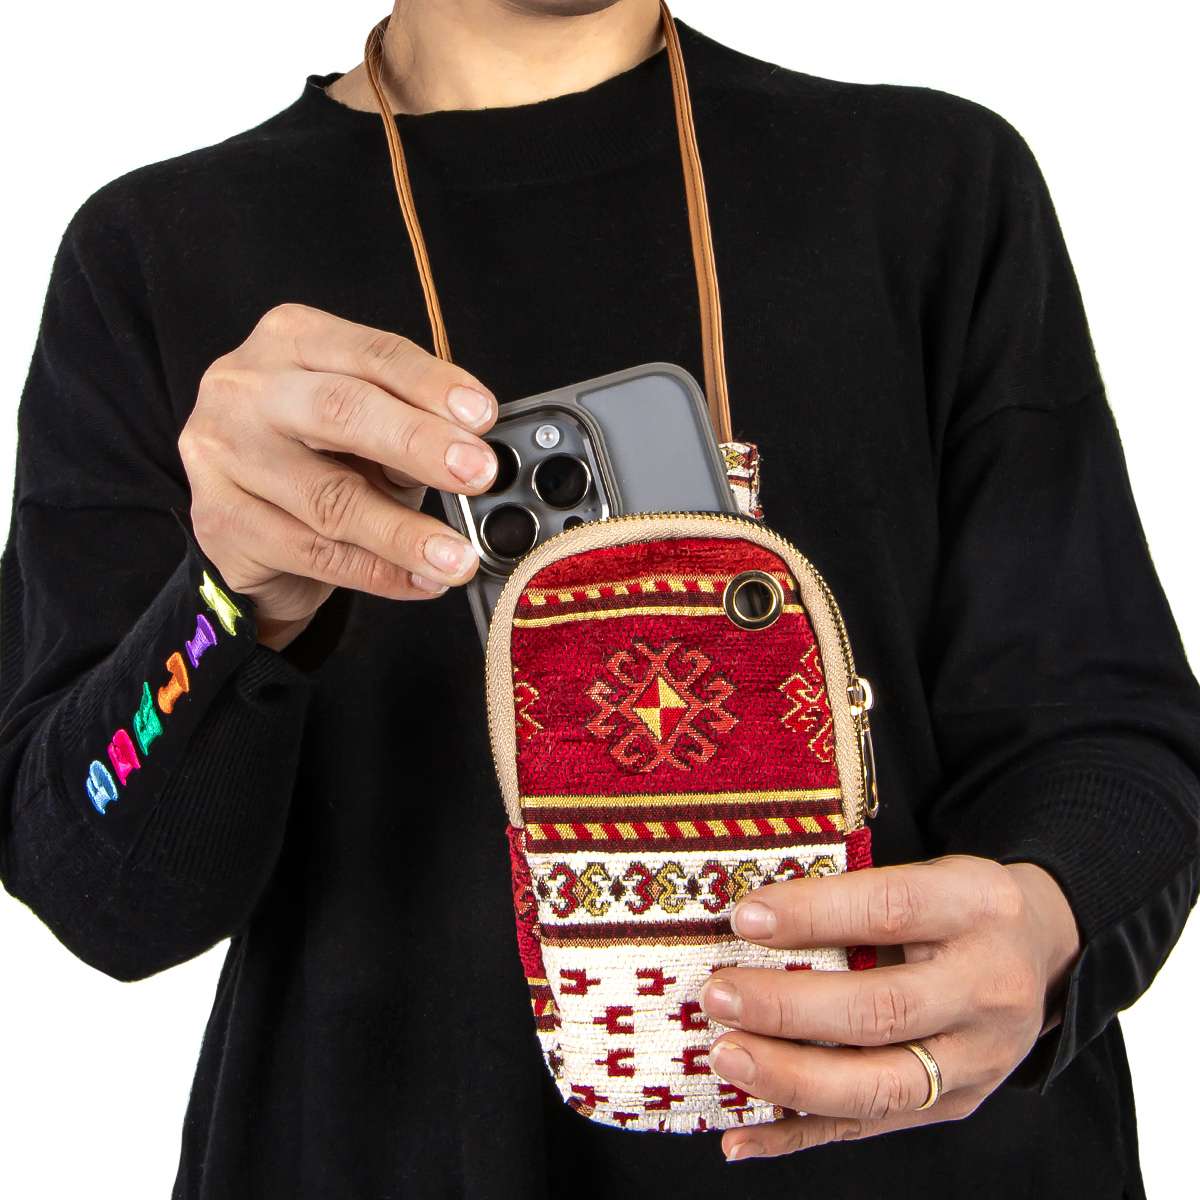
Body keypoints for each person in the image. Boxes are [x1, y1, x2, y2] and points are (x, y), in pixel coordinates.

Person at [1, 0, 1196, 1196]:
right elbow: (101, 889)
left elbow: (1116, 735)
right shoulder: (155, 253)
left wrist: (1050, 923)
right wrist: (229, 605)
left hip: (927, 1158)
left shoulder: (933, 183)